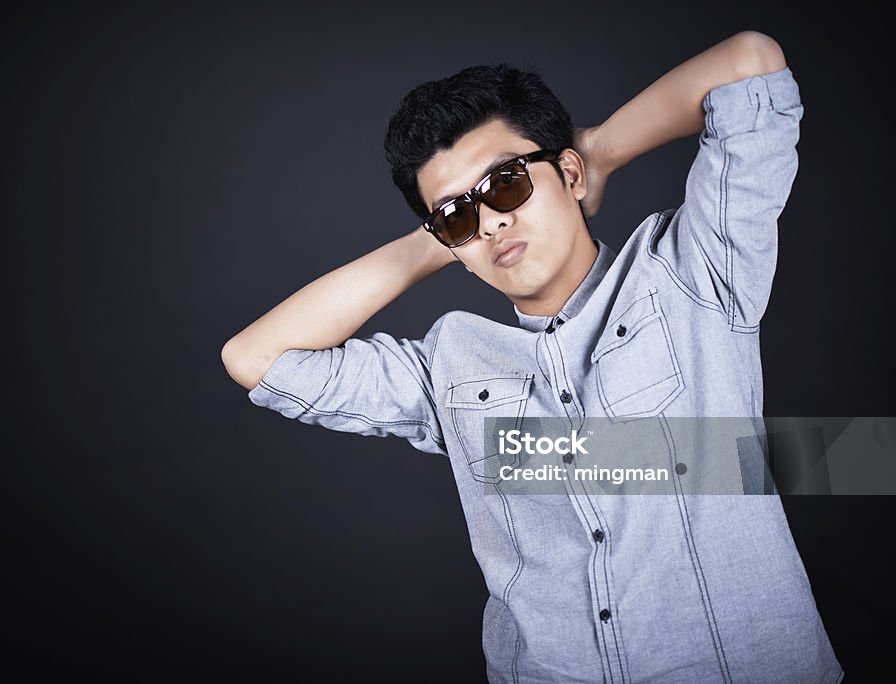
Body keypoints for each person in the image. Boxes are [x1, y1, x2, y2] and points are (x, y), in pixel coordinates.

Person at [221, 30, 843, 684]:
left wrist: (597, 151)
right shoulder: (450, 369)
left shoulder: (689, 272)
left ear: (566, 174)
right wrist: (441, 237)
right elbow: (255, 357)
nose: (489, 222)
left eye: (507, 183)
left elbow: (751, 63)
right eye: (459, 215)